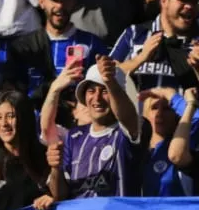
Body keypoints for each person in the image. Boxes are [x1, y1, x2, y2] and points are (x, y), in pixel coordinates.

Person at [7, 0, 108, 107]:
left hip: (78, 116)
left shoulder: (92, 44)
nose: (60, 5)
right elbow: (15, 94)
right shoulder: (22, 46)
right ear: (42, 2)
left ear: (74, 1)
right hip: (35, 115)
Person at [48, 56, 142, 199]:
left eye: (104, 91)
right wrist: (55, 168)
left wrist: (110, 81)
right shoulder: (73, 137)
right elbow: (60, 195)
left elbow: (128, 117)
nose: (97, 98)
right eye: (91, 91)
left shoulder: (128, 131)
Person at [112, 0, 199, 93]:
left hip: (183, 105)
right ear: (164, 0)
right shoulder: (135, 33)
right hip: (138, 105)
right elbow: (104, 77)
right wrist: (140, 59)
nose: (189, 6)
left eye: (194, 1)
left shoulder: (197, 43)